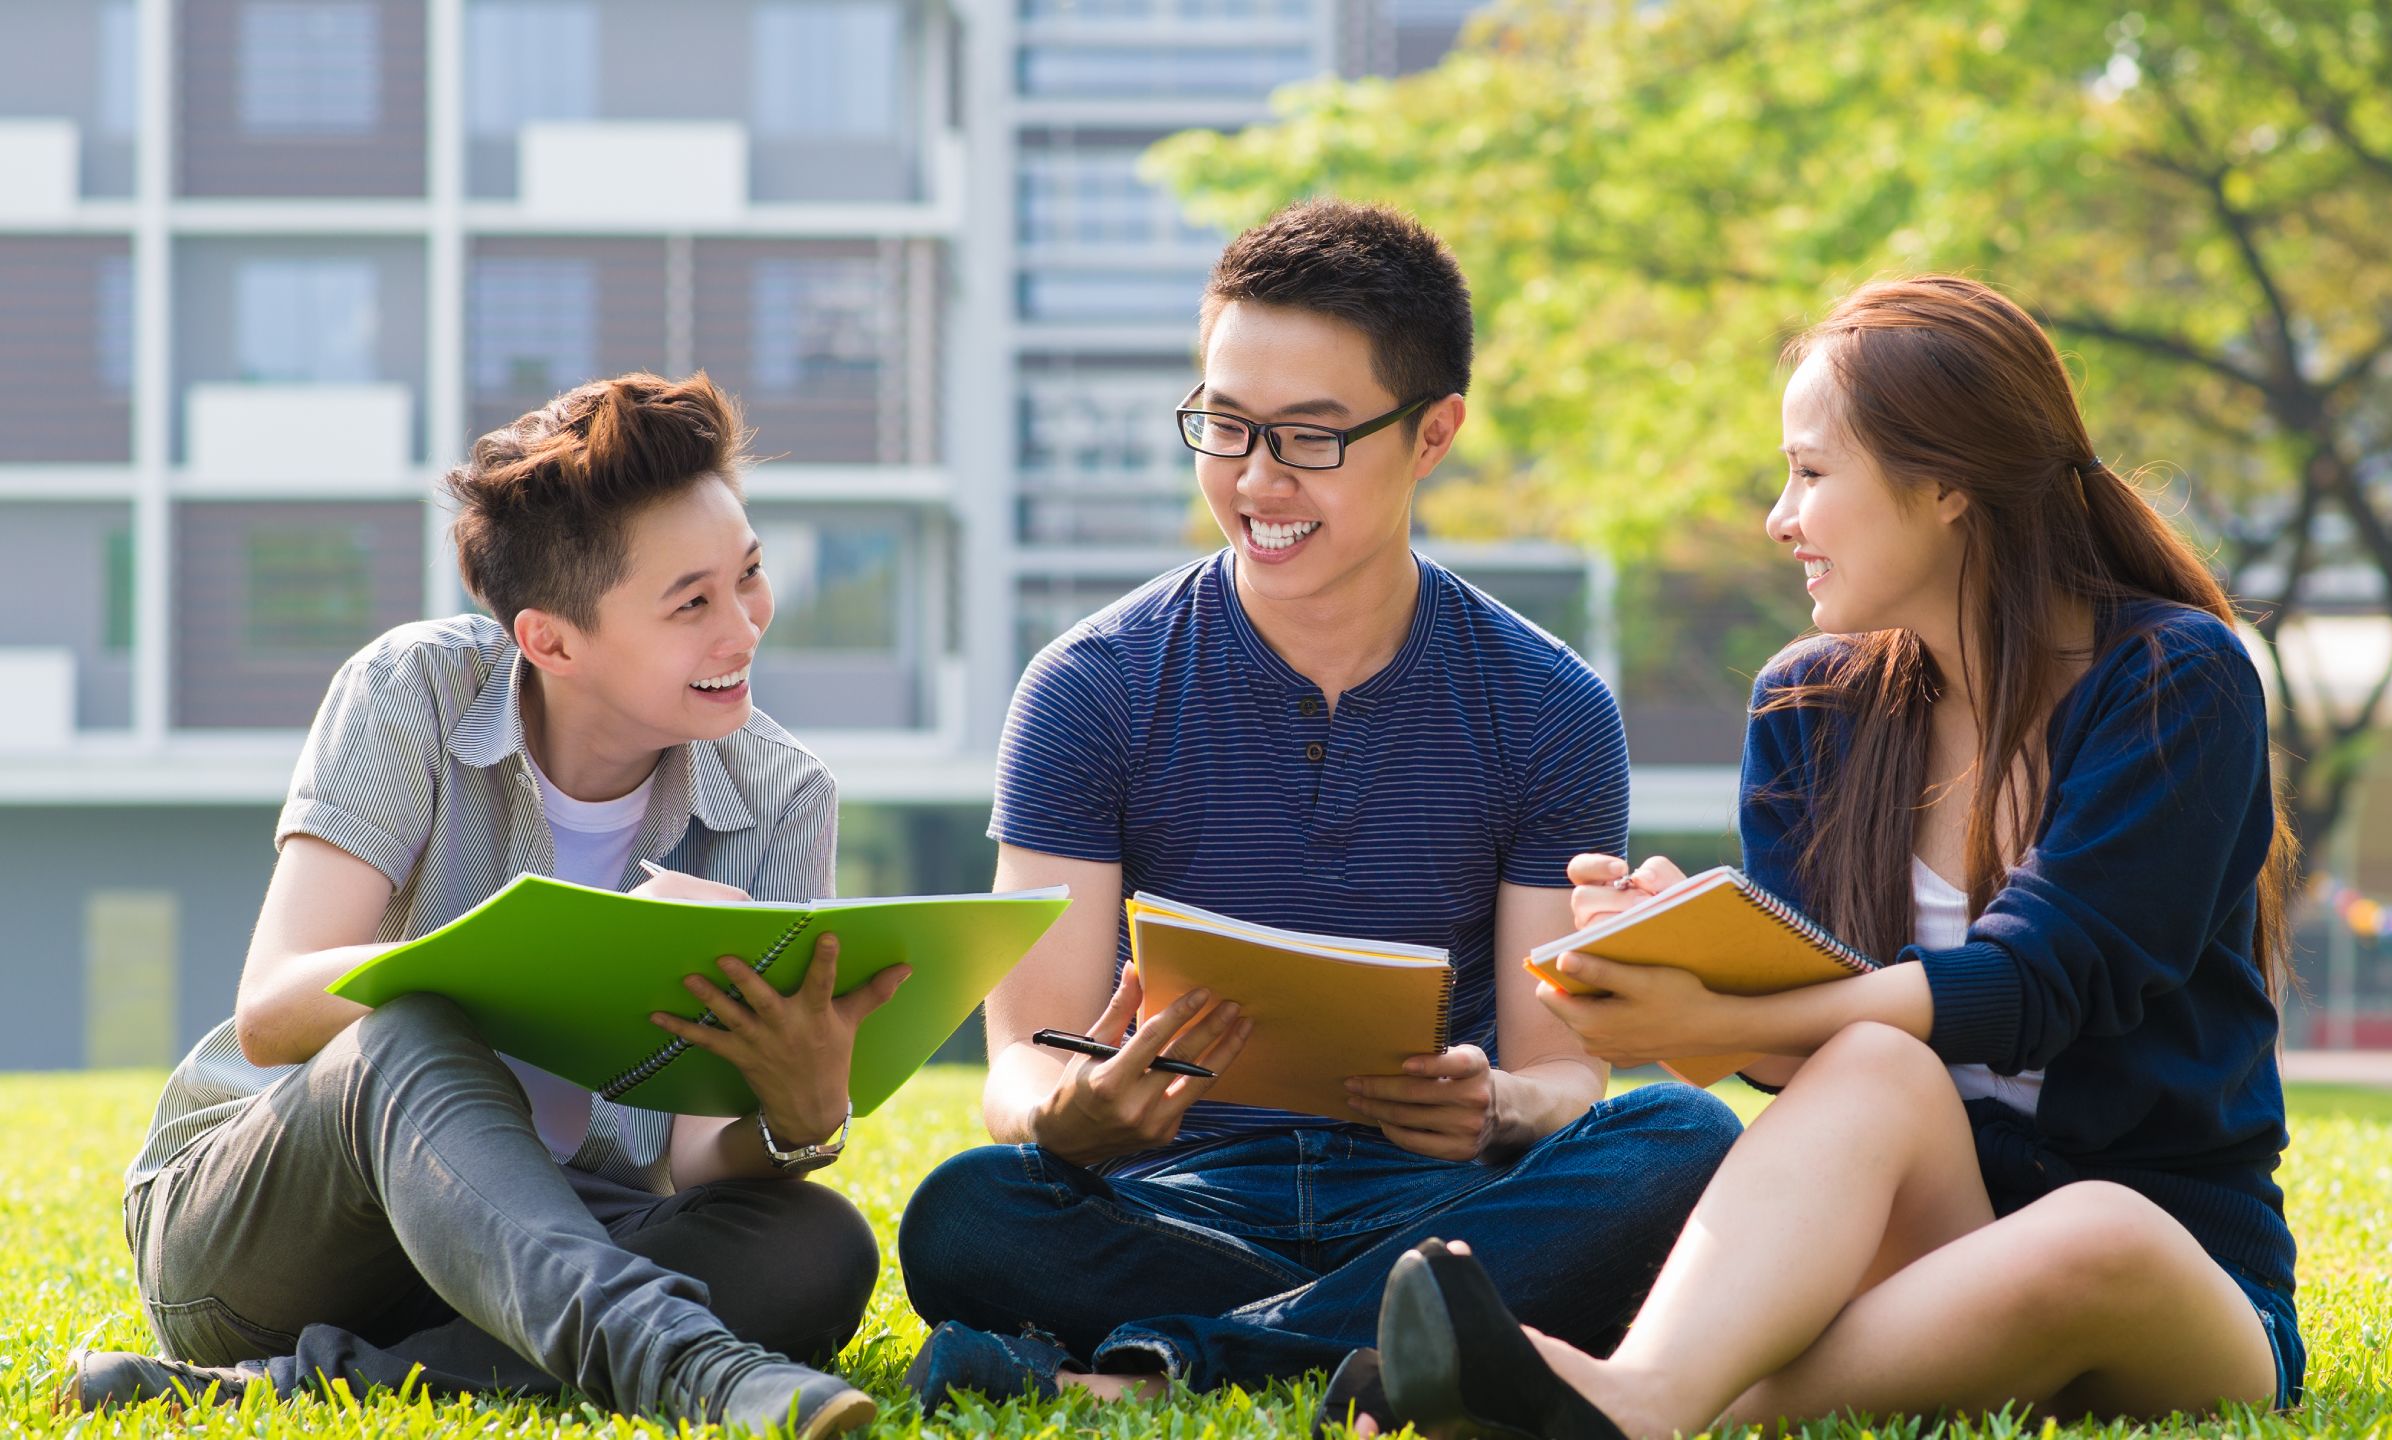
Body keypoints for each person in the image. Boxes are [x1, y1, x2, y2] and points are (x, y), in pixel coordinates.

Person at [1374, 275, 2307, 1438]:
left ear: (1947, 482)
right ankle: (1627, 1404)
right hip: (1920, 1243)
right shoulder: (1811, 706)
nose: (1779, 517)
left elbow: (2044, 980)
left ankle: (1628, 1401)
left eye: (1810, 474)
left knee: (2096, 1230)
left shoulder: (2174, 678)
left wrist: (1732, 1021)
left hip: (2171, 1276)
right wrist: (1702, 970)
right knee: (1870, 1061)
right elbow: (1803, 1058)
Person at [894, 201, 1740, 1417]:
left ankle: (1160, 1365)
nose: (1254, 479)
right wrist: (1077, 1116)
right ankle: (1371, 1341)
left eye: (1309, 438)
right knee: (968, 1211)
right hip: (1171, 1195)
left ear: (1433, 433)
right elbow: (1021, 1063)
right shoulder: (1090, 686)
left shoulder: (1548, 705)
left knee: (1678, 1138)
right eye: (1224, 424)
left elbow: (1562, 1081)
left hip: (1430, 1203)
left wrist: (1493, 1102)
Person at [61, 372, 903, 1439]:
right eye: (692, 604)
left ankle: (272, 1397)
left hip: (536, 1235)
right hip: (272, 1226)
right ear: (549, 640)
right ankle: (690, 1368)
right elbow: (274, 1007)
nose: (743, 631)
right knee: (405, 1027)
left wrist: (796, 1111)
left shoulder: (780, 796)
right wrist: (538, 972)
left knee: (811, 1243)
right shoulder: (412, 690)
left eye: (749, 577)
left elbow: (693, 1160)